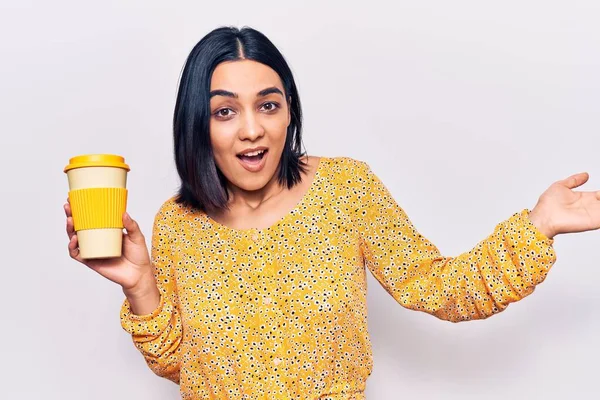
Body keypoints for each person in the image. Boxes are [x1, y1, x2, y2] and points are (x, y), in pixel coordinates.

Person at [63, 26, 600, 400]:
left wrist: (538, 225)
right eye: (225, 111)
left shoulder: (344, 188)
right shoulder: (177, 222)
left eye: (268, 105)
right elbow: (183, 367)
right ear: (197, 124)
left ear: (288, 110)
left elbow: (438, 287)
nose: (251, 129)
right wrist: (140, 286)